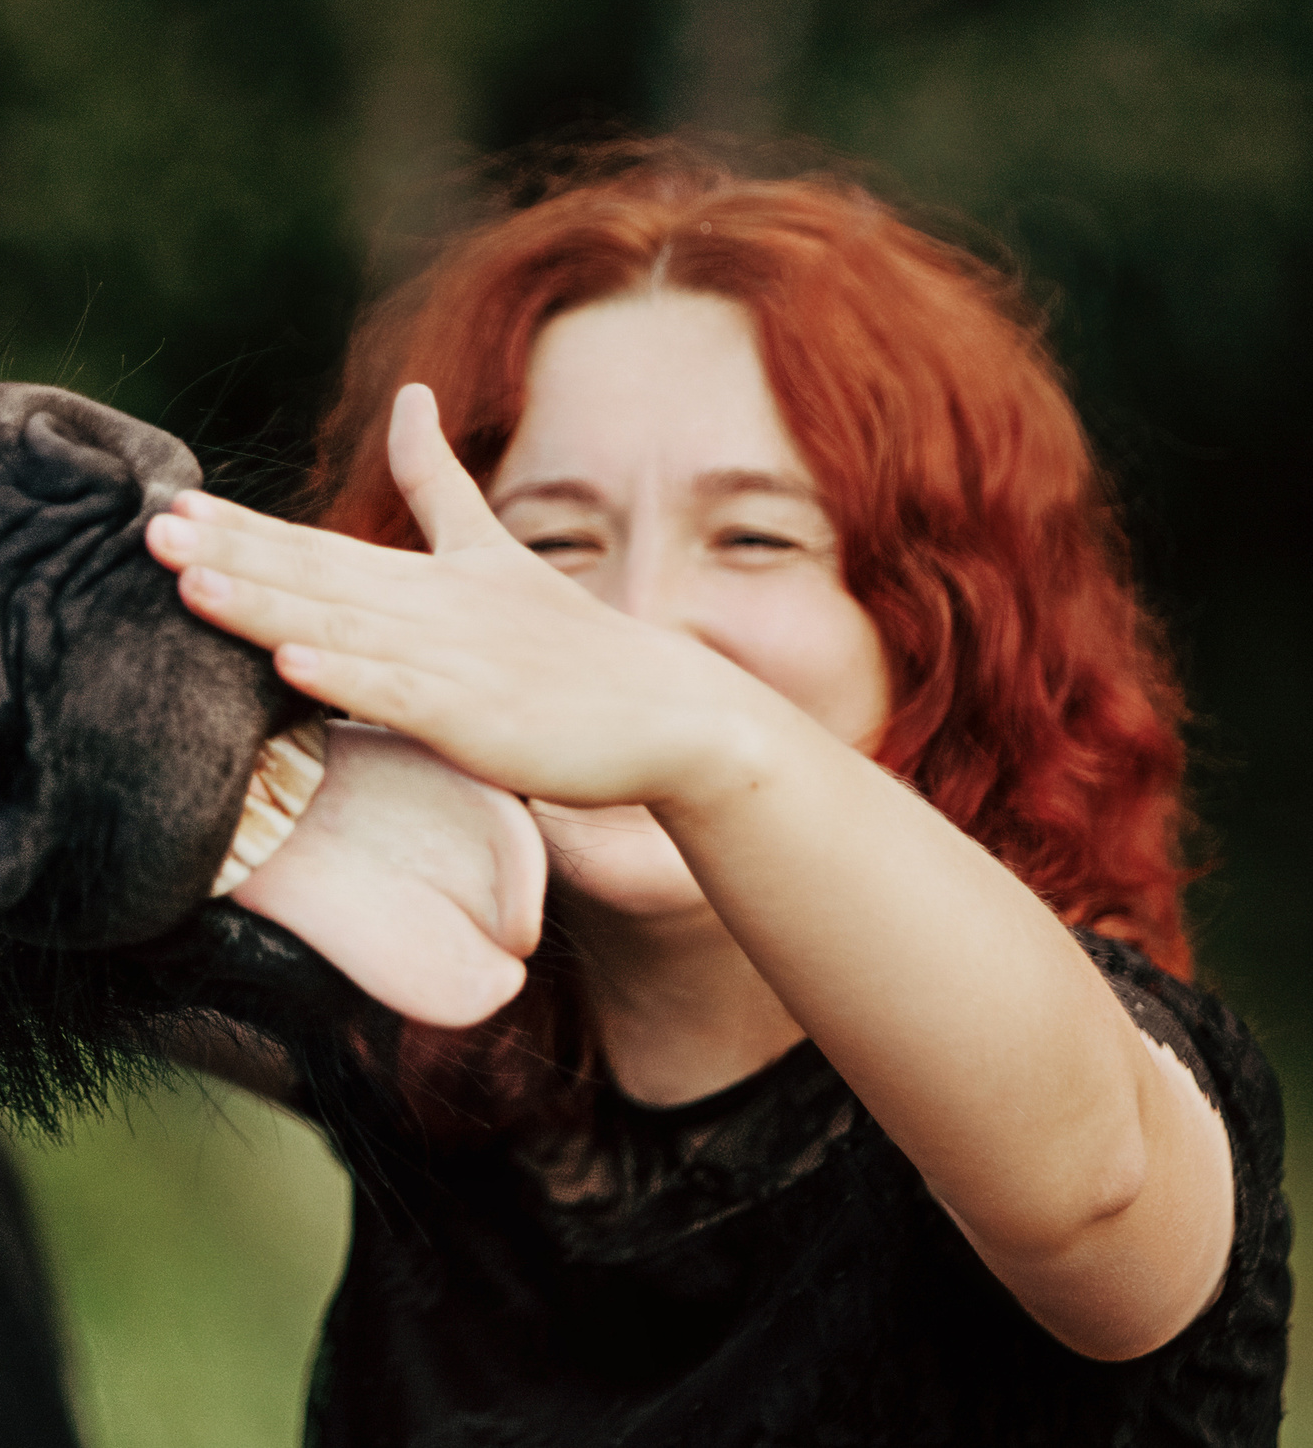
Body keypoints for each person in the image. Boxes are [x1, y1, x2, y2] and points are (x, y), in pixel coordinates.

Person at [144, 150, 1288, 1445]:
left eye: (755, 537)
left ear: (936, 631)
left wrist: (694, 729)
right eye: (553, 543)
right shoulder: (418, 1051)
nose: (635, 619)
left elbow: (1095, 1182)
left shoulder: (1116, 1084)